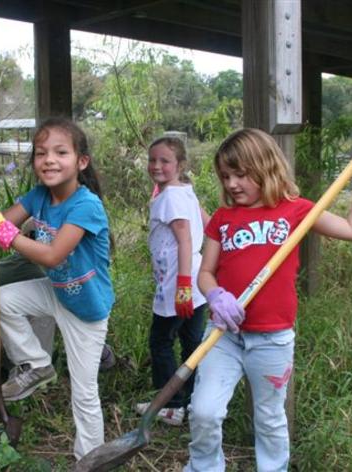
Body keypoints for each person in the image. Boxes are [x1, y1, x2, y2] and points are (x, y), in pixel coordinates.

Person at [185, 128, 352, 471]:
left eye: (241, 174)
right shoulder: (222, 218)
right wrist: (215, 294)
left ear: (266, 167)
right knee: (204, 411)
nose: (232, 184)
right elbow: (206, 273)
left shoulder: (296, 211)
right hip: (223, 335)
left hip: (272, 339)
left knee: (270, 417)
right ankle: (203, 467)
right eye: (226, 176)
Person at [0, 117, 114, 459]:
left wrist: (7, 234)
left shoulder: (86, 205)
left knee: (83, 392)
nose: (49, 159)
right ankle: (36, 363)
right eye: (40, 153)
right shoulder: (38, 196)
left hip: (87, 309)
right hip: (59, 291)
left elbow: (51, 255)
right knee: (2, 299)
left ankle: (89, 459)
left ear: (81, 162)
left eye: (60, 152)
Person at [135, 136, 209, 426]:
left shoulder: (171, 197)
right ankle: (193, 400)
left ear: (180, 164)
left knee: (161, 342)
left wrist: (182, 288)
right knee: (192, 342)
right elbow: (208, 223)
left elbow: (185, 239)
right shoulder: (185, 190)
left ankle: (171, 405)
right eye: (153, 160)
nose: (156, 166)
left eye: (165, 161)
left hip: (178, 284)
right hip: (195, 280)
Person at [0, 252, 116, 372]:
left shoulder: (26, 264)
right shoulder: (29, 268)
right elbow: (71, 310)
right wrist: (98, 349)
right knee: (47, 307)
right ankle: (33, 373)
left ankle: (22, 367)